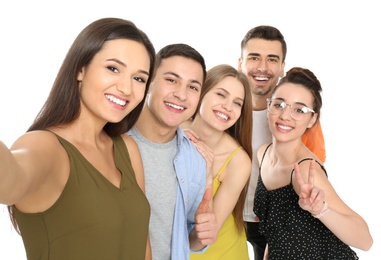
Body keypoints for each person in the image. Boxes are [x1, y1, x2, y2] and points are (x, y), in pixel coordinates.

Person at [0, 17, 156, 260]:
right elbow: (9, 183)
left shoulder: (127, 148)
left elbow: (142, 244)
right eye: (113, 68)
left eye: (139, 79)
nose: (126, 88)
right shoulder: (45, 146)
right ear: (80, 69)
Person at [254, 67, 373, 259]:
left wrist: (321, 210)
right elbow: (274, 233)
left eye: (299, 110)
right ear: (269, 107)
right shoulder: (263, 154)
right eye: (279, 105)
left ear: (312, 119)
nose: (285, 116)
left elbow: (365, 241)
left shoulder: (305, 169)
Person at [238, 25, 326, 260]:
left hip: (275, 221)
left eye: (272, 59)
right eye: (254, 57)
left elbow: (314, 172)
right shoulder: (227, 106)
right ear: (240, 63)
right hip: (229, 215)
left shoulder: (297, 118)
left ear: (282, 67)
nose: (263, 68)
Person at [127, 43, 218, 260]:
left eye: (193, 87)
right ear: (149, 82)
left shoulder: (195, 159)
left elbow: (188, 239)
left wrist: (200, 234)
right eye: (171, 80)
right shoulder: (109, 142)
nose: (181, 95)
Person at [182, 64, 252, 259]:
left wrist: (207, 173)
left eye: (238, 103)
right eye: (221, 94)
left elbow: (203, 238)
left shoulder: (238, 162)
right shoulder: (175, 128)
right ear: (202, 92)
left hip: (220, 253)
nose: (228, 107)